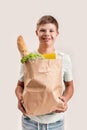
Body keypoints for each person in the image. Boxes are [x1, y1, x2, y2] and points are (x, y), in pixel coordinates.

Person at [15, 15, 74, 130]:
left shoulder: (63, 58)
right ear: (36, 33)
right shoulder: (28, 59)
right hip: (30, 121)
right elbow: (19, 86)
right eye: (42, 30)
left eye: (51, 30)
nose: (47, 33)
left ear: (57, 34)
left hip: (55, 122)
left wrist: (65, 99)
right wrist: (20, 98)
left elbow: (70, 86)